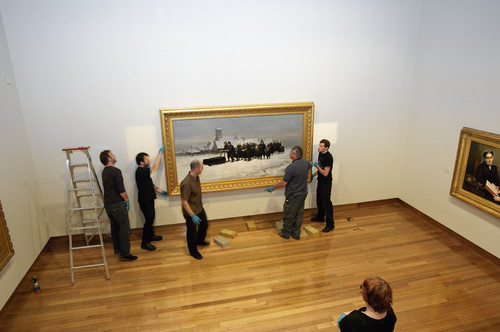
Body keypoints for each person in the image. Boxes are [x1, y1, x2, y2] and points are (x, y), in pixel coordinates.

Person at [265, 146, 310, 240]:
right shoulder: (305, 162)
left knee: (289, 215)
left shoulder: (291, 167)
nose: (289, 153)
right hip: (303, 193)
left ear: (294, 154)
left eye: (290, 152)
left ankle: (285, 234)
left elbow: (283, 183)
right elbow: (309, 166)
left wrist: (272, 187)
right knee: (299, 214)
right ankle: (296, 234)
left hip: (293, 195)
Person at [99, 150, 137, 261]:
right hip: (117, 204)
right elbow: (121, 190)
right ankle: (125, 254)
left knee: (115, 227)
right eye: (112, 154)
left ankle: (118, 249)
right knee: (124, 228)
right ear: (109, 159)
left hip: (108, 205)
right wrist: (127, 200)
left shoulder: (104, 171)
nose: (114, 155)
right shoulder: (116, 171)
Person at [135, 146, 168, 252]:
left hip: (148, 199)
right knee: (149, 220)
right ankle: (144, 243)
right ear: (141, 162)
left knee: (151, 218)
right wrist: (160, 153)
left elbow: (149, 183)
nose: (148, 160)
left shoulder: (143, 172)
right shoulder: (140, 171)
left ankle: (151, 236)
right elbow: (156, 166)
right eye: (146, 159)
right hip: (145, 200)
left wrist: (159, 190)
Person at [180, 160, 210, 260]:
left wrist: (199, 201)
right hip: (190, 212)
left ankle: (199, 241)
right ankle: (193, 251)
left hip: (198, 208)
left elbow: (195, 193)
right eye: (202, 167)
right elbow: (184, 202)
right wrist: (192, 215)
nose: (202, 169)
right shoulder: (186, 183)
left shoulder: (196, 178)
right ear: (196, 169)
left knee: (204, 225)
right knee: (191, 233)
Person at [310, 139, 335, 232]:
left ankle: (330, 224)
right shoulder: (321, 154)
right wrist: (313, 175)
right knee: (319, 200)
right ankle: (320, 217)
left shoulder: (328, 157)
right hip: (320, 181)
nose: (319, 147)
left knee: (326, 203)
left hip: (326, 183)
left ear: (326, 147)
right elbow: (320, 168)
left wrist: (316, 166)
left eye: (321, 146)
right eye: (319, 145)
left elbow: (325, 173)